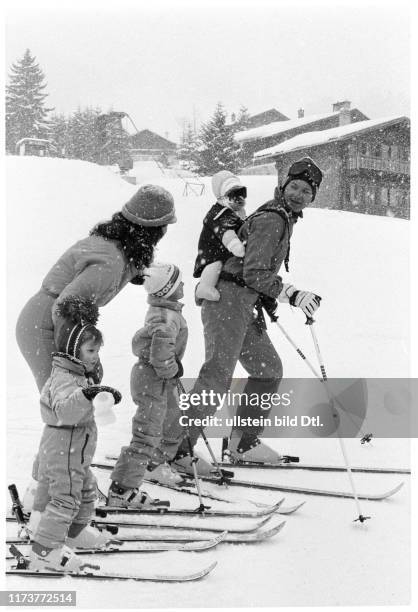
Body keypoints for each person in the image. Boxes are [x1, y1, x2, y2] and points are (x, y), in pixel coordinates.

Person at [171, 158, 324, 471]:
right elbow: (254, 272)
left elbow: (255, 273)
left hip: (244, 304)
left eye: (306, 190)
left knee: (268, 370)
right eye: (294, 186)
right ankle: (176, 447)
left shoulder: (283, 217)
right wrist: (290, 293)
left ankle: (244, 442)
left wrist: (266, 297)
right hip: (227, 301)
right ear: (283, 185)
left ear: (313, 196)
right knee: (217, 376)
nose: (298, 194)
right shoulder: (273, 219)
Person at [16, 184, 177, 394]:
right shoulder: (110, 263)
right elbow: (67, 306)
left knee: (76, 398)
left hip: (56, 319)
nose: (165, 232)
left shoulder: (115, 244)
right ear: (151, 230)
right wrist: (80, 356)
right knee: (64, 399)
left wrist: (134, 270)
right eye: (164, 226)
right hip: (46, 325)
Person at [29, 296, 122, 572]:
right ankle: (44, 552)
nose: (96, 357)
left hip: (75, 450)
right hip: (63, 447)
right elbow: (65, 412)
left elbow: (83, 401)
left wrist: (101, 394)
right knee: (65, 498)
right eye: (91, 351)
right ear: (73, 350)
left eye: (97, 351)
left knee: (85, 489)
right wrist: (87, 394)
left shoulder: (79, 374)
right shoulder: (63, 377)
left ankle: (74, 534)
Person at [108, 263, 188, 507]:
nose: (184, 285)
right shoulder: (166, 317)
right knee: (147, 433)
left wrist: (171, 370)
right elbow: (161, 355)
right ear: (168, 289)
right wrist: (173, 369)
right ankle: (123, 490)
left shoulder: (164, 311)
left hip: (152, 377)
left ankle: (133, 478)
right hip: (154, 378)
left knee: (156, 427)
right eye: (179, 282)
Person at [194, 170, 247, 302]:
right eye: (233, 196)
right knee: (215, 264)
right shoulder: (220, 213)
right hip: (212, 249)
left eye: (242, 194)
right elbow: (226, 232)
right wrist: (235, 245)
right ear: (222, 198)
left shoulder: (236, 211)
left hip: (224, 250)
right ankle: (204, 287)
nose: (239, 200)